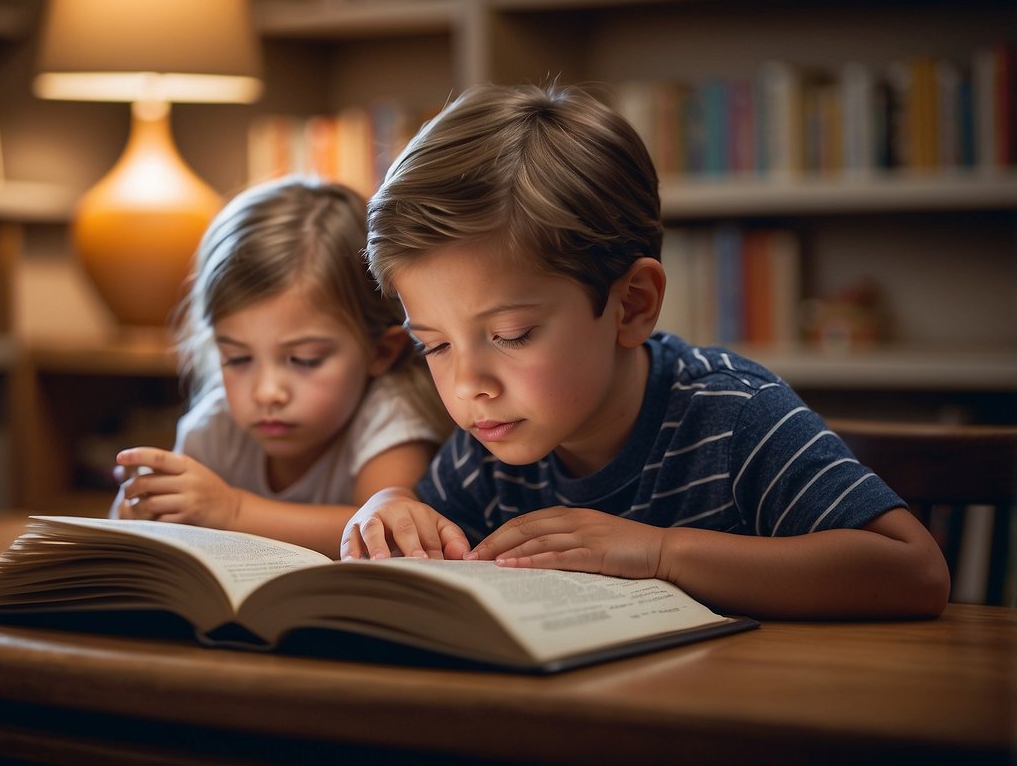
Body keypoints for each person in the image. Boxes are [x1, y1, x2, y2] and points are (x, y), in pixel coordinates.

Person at [341, 82, 950, 619]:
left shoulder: (734, 415)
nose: (470, 383)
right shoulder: (488, 451)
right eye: (436, 345)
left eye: (512, 336)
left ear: (632, 305)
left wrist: (663, 553)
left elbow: (915, 572)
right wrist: (393, 504)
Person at [111, 176, 450, 557]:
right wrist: (141, 511)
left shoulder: (390, 414)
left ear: (381, 352)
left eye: (304, 359)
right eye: (238, 359)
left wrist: (232, 510)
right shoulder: (213, 427)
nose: (267, 392)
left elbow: (383, 528)